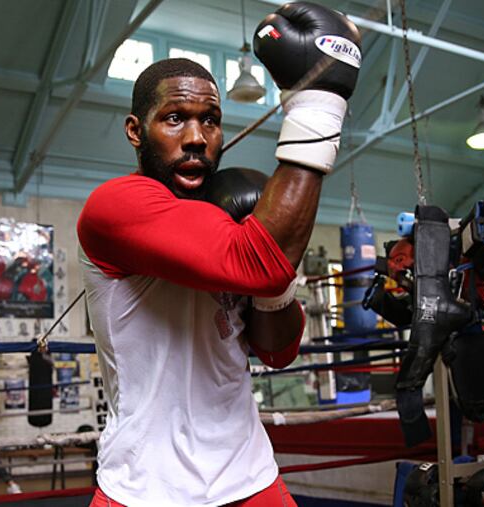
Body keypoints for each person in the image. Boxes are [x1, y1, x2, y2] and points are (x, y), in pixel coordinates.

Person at [77, 3, 361, 506]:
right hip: (144, 485)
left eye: (210, 121)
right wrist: (320, 101)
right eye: (174, 119)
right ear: (135, 131)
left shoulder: (226, 218)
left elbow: (277, 352)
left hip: (248, 473)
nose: (196, 139)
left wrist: (271, 282)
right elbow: (262, 262)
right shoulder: (115, 208)